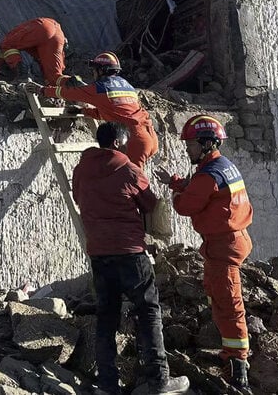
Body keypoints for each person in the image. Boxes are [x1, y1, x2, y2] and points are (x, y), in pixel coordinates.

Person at [73, 122, 190, 395]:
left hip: (99, 254)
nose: (128, 147)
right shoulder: (128, 170)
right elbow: (150, 205)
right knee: (148, 312)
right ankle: (159, 380)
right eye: (125, 143)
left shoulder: (81, 169)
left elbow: (80, 198)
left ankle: (108, 385)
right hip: (130, 254)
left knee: (106, 317)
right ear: (116, 143)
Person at [168, 115, 254, 393]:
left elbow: (187, 205)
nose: (187, 149)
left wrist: (176, 195)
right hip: (230, 240)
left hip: (223, 245)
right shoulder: (220, 166)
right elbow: (203, 190)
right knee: (218, 294)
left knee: (228, 302)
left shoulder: (208, 174)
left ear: (206, 143)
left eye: (191, 144)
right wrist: (177, 182)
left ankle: (237, 364)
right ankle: (232, 354)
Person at [35, 51, 158, 167]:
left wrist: (42, 90)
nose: (93, 73)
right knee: (128, 180)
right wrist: (83, 111)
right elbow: (114, 113)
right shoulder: (127, 85)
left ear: (101, 70)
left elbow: (68, 93)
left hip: (134, 139)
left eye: (94, 70)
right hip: (150, 136)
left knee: (131, 184)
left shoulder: (99, 88)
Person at [0, 17, 68, 85]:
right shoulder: (28, 41)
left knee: (6, 45)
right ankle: (77, 85)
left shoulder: (11, 35)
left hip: (43, 26)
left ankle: (22, 75)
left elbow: (1, 48)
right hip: (58, 34)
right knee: (54, 77)